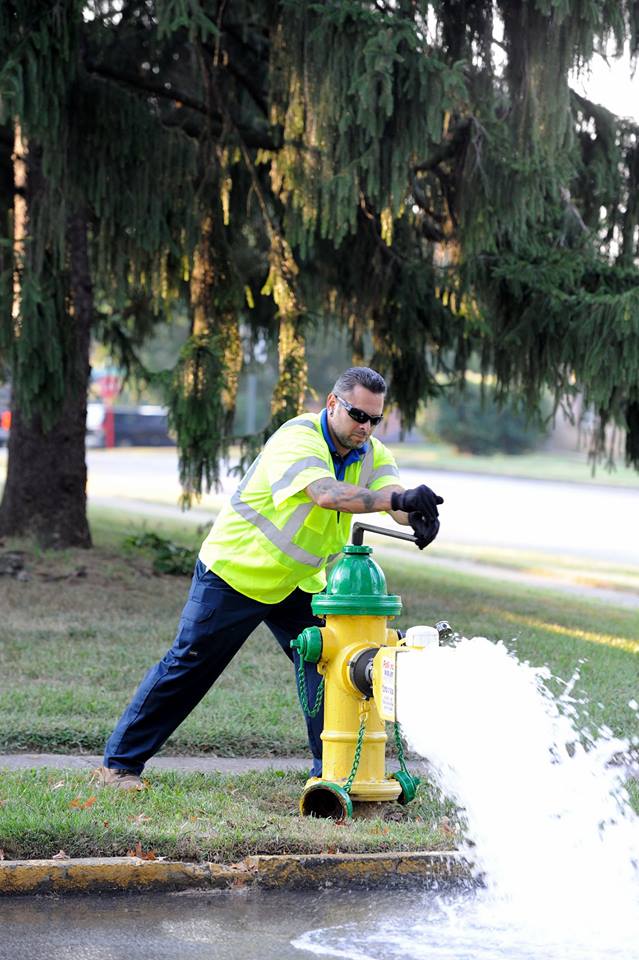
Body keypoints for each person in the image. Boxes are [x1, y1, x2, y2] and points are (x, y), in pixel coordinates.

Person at [97, 366, 443, 789]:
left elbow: (395, 502)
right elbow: (327, 494)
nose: (366, 427)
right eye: (358, 415)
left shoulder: (372, 454)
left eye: (375, 419)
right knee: (189, 666)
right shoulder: (297, 438)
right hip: (235, 574)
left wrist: (417, 515)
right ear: (332, 404)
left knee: (335, 666)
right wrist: (396, 498)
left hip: (298, 585)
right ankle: (117, 768)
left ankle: (334, 775)